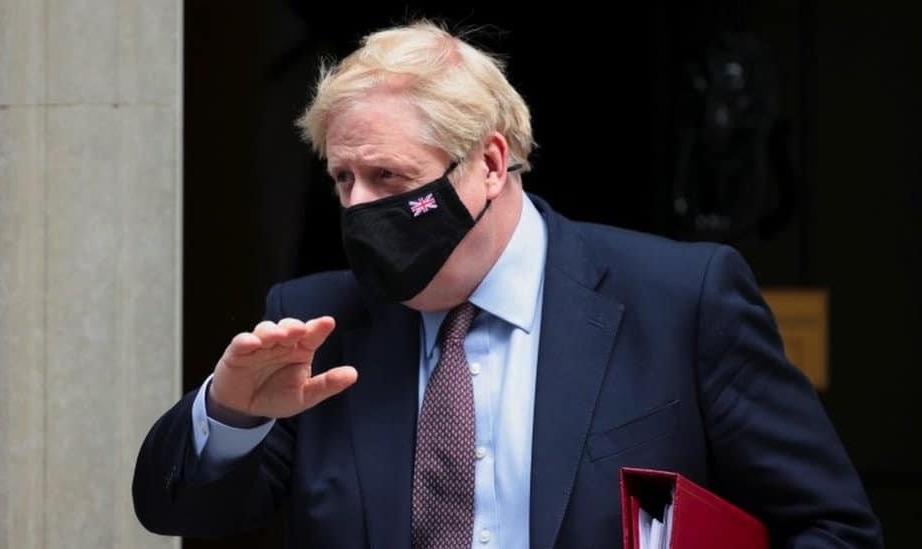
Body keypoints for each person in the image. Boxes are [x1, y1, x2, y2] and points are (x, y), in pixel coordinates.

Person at [132, 20, 883, 548]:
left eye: (389, 176)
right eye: (342, 178)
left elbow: (834, 525)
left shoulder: (681, 302)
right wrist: (228, 413)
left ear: (490, 164)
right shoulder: (314, 325)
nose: (358, 205)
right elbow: (180, 510)